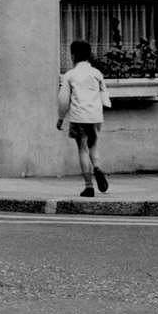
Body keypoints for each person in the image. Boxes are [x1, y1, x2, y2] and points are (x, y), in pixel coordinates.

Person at [57, 39, 112, 197]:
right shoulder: (96, 73)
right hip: (95, 116)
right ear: (89, 55)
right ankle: (97, 168)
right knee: (93, 145)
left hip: (78, 116)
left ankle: (89, 186)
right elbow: (104, 94)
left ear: (73, 56)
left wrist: (61, 118)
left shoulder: (70, 75)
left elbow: (63, 100)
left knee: (82, 149)